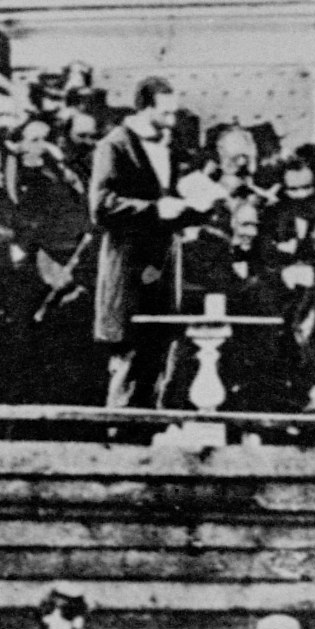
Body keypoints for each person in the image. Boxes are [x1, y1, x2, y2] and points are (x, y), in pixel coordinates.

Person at [89, 76, 208, 408]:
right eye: (165, 114)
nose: (172, 121)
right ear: (144, 109)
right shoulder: (114, 145)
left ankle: (145, 439)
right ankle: (120, 440)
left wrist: (195, 207)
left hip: (162, 269)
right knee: (129, 363)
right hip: (129, 269)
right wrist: (155, 208)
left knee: (157, 360)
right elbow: (101, 207)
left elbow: (168, 205)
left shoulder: (166, 148)